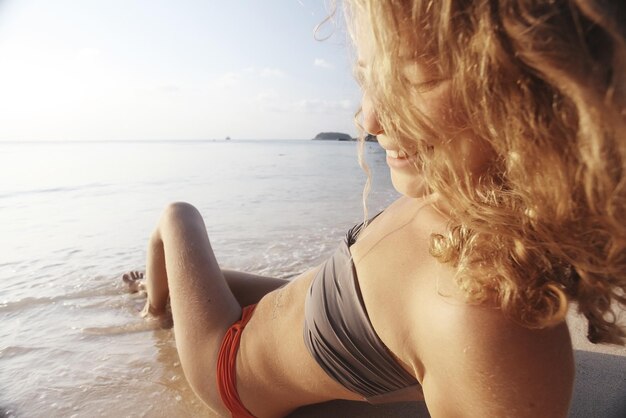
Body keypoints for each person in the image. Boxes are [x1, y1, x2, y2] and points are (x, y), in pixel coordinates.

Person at [123, 1, 626, 416]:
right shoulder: (454, 195)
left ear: (546, 92)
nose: (369, 118)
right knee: (206, 280)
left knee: (179, 217)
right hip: (293, 313)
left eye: (415, 80)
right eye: (369, 80)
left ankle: (154, 307)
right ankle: (157, 297)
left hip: (226, 367)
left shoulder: (483, 312)